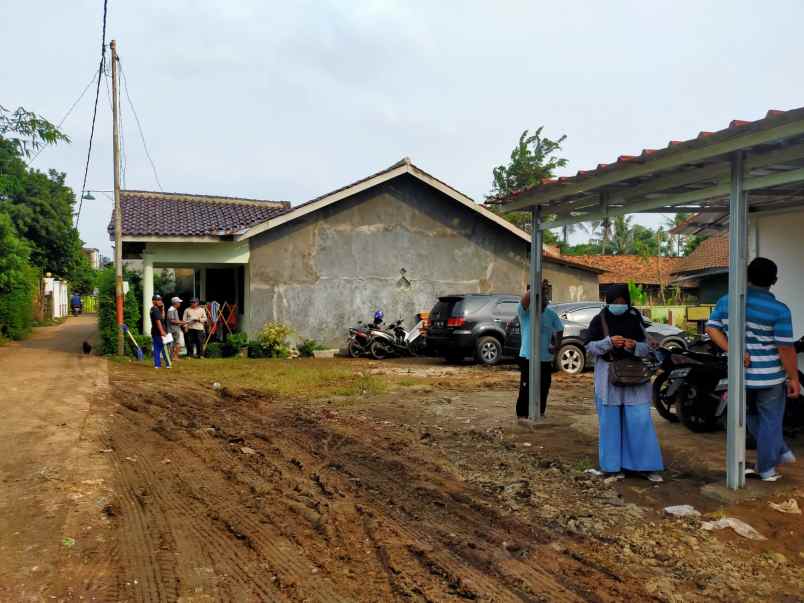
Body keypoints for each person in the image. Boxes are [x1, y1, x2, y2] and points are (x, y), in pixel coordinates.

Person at [705, 257, 799, 482]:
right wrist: (794, 377)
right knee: (770, 421)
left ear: (746, 277)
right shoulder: (779, 310)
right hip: (770, 379)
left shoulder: (727, 301)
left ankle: (781, 451)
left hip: (740, 377)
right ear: (774, 280)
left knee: (750, 416)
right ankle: (767, 468)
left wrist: (734, 351)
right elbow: (785, 348)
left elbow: (711, 328)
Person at [586, 285, 664, 482]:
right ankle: (612, 468)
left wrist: (635, 345)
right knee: (610, 424)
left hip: (635, 377)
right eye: (614, 302)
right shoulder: (599, 320)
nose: (618, 306)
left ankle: (644, 467)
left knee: (639, 421)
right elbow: (590, 347)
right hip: (608, 379)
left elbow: (649, 348)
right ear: (608, 302)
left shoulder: (636, 320)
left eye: (622, 302)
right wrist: (608, 342)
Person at [516, 281, 564, 418]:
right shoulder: (525, 312)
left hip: (545, 359)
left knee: (543, 388)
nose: (544, 301)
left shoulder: (551, 314)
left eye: (545, 298)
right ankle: (522, 416)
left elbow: (560, 329)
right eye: (541, 297)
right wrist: (536, 287)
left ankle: (540, 413)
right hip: (528, 357)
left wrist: (557, 345)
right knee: (526, 388)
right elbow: (524, 301)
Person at [150, 294, 168, 369]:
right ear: (153, 301)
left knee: (157, 348)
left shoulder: (154, 309)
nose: (160, 301)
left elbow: (162, 318)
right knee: (165, 348)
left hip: (155, 331)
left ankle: (157, 364)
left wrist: (163, 309)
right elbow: (158, 322)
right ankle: (168, 363)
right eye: (158, 300)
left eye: (160, 299)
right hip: (159, 332)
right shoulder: (155, 310)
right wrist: (162, 331)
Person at [167, 296, 186, 361]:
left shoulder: (173, 309)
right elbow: (172, 320)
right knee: (176, 343)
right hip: (174, 330)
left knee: (176, 343)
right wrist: (182, 322)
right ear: (175, 303)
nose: (180, 304)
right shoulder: (171, 310)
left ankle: (173, 357)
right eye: (179, 302)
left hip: (175, 329)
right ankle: (174, 357)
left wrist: (181, 323)